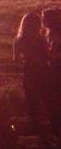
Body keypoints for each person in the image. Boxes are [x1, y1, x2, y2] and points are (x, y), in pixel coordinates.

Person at [13, 13, 50, 134]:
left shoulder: (19, 40)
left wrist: (26, 58)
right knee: (47, 98)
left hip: (28, 70)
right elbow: (48, 56)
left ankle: (36, 125)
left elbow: (16, 59)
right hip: (43, 70)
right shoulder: (42, 39)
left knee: (31, 99)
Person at [40, 8, 61, 141]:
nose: (42, 20)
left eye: (43, 18)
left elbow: (55, 54)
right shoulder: (51, 33)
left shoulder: (55, 34)